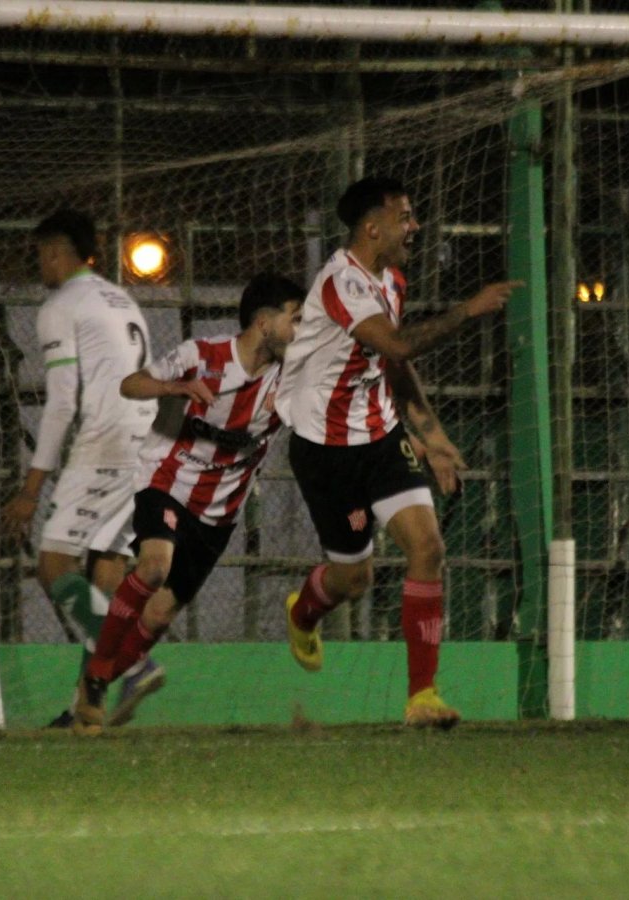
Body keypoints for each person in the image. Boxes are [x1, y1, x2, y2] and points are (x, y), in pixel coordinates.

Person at [275, 175, 520, 729]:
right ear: (372, 227)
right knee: (354, 580)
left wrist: (429, 434)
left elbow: (394, 364)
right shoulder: (341, 282)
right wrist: (467, 310)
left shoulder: (391, 280)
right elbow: (400, 344)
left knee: (428, 548)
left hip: (380, 436)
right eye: (405, 216)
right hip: (325, 451)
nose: (414, 226)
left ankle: (422, 696)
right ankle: (305, 609)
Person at [73, 272, 305, 734]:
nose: (302, 331)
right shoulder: (202, 355)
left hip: (220, 512)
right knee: (153, 567)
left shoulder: (293, 380)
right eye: (296, 320)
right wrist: (174, 388)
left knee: (158, 615)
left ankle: (90, 697)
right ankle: (97, 674)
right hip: (166, 482)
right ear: (263, 322)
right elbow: (131, 384)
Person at [2, 208, 164, 728]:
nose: (40, 266)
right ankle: (87, 705)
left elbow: (62, 402)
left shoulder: (60, 305)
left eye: (41, 255)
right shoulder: (121, 298)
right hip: (147, 437)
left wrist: (31, 488)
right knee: (108, 572)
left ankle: (133, 662)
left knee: (54, 564)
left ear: (55, 252)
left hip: (106, 439)